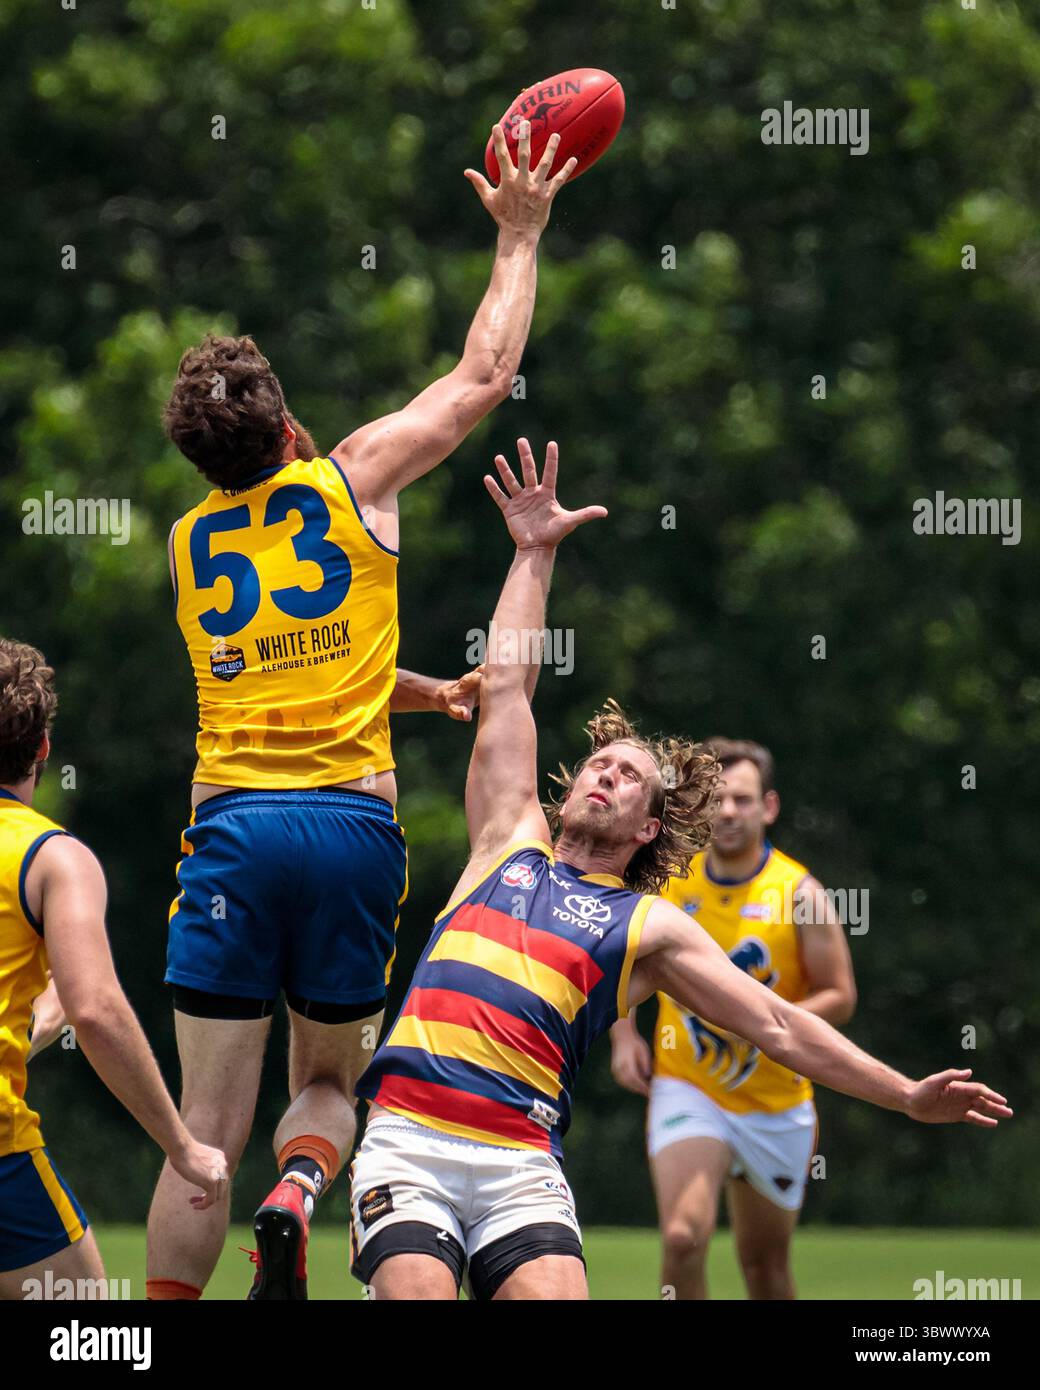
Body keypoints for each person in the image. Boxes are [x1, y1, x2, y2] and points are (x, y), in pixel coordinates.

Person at [347, 439, 1011, 1301]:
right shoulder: (505, 842)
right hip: (411, 1138)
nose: (603, 773)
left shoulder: (648, 928)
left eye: (627, 775)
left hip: (519, 1161)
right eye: (597, 764)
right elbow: (507, 685)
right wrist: (533, 551)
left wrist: (906, 1094)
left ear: (649, 826)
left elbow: (778, 1025)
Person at [147, 122, 577, 1301]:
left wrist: (416, 682)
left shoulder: (189, 548)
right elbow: (483, 376)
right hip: (348, 829)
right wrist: (519, 236)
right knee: (331, 1083)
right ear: (285, 421)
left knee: (200, 1134)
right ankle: (298, 1192)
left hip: (233, 827)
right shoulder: (351, 476)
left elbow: (279, 659)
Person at [0, 637, 226, 1300]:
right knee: (100, 1339)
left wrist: (41, 1021)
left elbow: (68, 1008)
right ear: (43, 748)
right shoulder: (52, 857)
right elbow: (95, 1008)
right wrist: (182, 1146)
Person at [610, 739, 857, 1298]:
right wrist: (623, 1037)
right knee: (681, 1238)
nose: (726, 811)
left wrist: (762, 1020)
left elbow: (840, 995)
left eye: (741, 800)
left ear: (767, 807)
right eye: (716, 799)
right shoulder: (670, 882)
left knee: (764, 1266)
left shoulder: (801, 894)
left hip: (777, 1101)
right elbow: (617, 960)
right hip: (689, 1087)